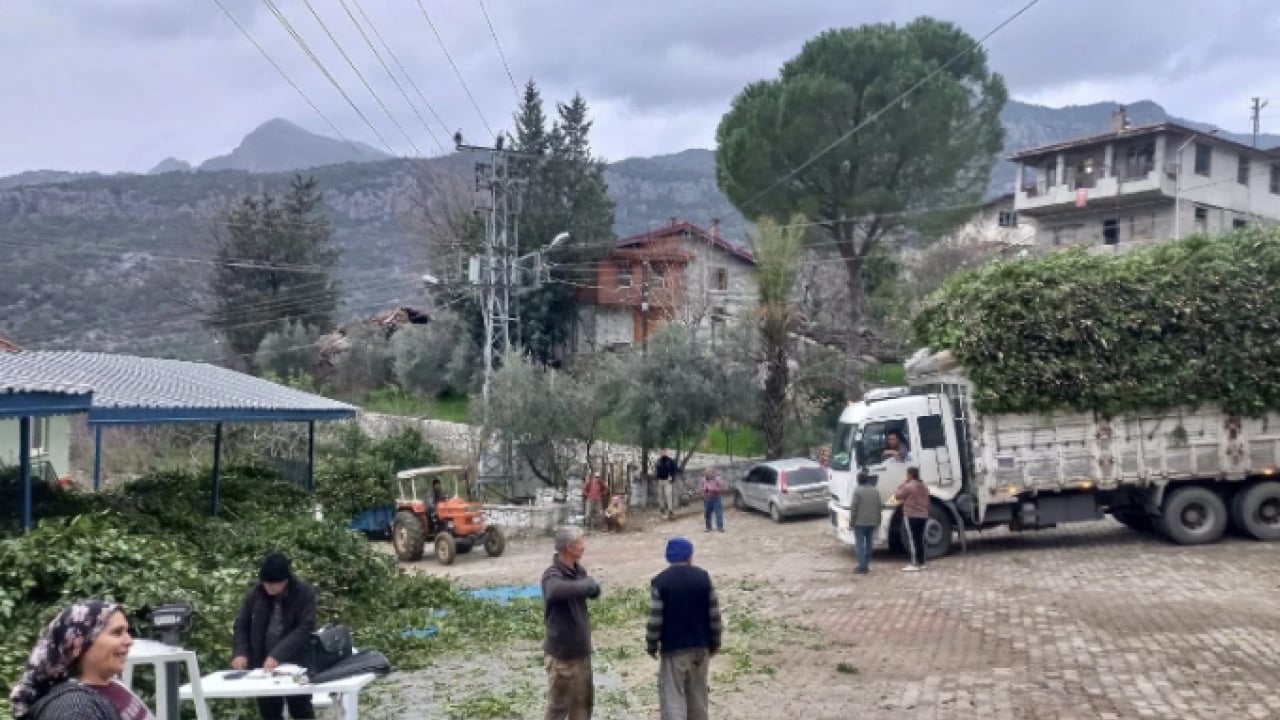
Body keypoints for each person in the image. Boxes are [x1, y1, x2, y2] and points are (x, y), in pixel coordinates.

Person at [10, 599, 154, 720]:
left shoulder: (113, 684)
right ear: (80, 643)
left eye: (127, 632)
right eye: (117, 633)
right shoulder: (74, 708)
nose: (129, 641)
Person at [231, 552, 318, 720]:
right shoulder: (255, 593)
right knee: (269, 713)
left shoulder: (304, 593)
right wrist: (240, 652)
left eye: (274, 584)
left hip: (296, 662)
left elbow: (304, 629)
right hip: (262, 665)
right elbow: (241, 624)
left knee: (301, 710)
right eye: (266, 583)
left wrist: (277, 655)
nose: (269, 587)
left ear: (286, 579)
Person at [645, 537, 722, 720]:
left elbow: (655, 620)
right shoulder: (703, 578)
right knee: (698, 697)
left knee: (673, 698)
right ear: (689, 556)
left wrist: (651, 645)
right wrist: (715, 642)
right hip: (700, 646)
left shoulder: (660, 582)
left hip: (673, 650)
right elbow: (714, 615)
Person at [541, 527, 602, 720]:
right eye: (580, 543)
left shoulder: (578, 570)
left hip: (581, 654)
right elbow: (555, 591)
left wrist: (593, 588)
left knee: (582, 708)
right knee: (558, 710)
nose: (583, 547)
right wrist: (586, 585)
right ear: (569, 547)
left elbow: (592, 590)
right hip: (562, 658)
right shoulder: (551, 575)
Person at [893, 467, 931, 572]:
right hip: (923, 515)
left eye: (907, 474)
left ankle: (914, 563)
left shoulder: (909, 486)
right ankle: (923, 562)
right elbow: (928, 501)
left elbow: (897, 496)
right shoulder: (924, 486)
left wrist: (901, 484)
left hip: (911, 515)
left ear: (910, 475)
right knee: (920, 539)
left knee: (913, 540)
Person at [850, 472, 883, 575]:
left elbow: (854, 508)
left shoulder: (857, 491)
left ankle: (862, 567)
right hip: (872, 522)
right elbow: (879, 506)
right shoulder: (875, 490)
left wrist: (852, 521)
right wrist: (879, 520)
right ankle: (866, 565)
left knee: (860, 545)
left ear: (858, 480)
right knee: (869, 544)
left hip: (859, 522)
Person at [655, 450, 678, 520]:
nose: (663, 453)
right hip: (660, 481)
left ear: (666, 453)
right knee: (660, 496)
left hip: (667, 481)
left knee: (668, 495)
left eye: (664, 452)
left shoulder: (670, 461)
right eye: (661, 452)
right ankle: (662, 510)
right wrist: (657, 476)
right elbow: (656, 470)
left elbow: (675, 470)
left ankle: (670, 511)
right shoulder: (658, 461)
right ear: (660, 453)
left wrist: (672, 477)